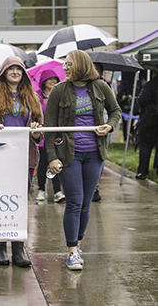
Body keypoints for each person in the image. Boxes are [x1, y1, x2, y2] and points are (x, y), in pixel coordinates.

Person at [44, 50, 121, 270]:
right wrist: (52, 157)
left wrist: (110, 125)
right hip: (69, 154)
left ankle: (77, 246)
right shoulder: (59, 91)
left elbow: (115, 110)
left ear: (80, 65)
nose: (65, 68)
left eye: (68, 64)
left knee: (86, 204)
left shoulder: (100, 86)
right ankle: (71, 252)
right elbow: (50, 128)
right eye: (64, 64)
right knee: (75, 202)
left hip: (94, 154)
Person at [0, 56, 43, 267]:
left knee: (20, 203)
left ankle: (19, 249)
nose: (15, 72)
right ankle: (0, 248)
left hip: (24, 157)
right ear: (3, 72)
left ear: (23, 73)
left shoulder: (32, 96)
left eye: (18, 69)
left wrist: (38, 134)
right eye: (10, 68)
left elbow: (39, 129)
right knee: (0, 201)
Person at [35, 69, 65, 203]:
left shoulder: (60, 95)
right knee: (42, 164)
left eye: (55, 79)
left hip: (56, 135)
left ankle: (58, 191)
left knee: (56, 163)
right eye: (50, 79)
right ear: (44, 81)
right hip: (42, 136)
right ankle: (41, 189)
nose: (53, 82)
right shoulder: (37, 96)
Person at [135, 68, 158, 180]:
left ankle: (142, 171)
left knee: (145, 146)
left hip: (148, 118)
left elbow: (142, 100)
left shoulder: (149, 85)